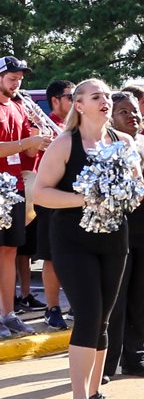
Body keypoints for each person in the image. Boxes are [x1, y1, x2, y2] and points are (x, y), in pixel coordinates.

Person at [32, 79, 136, 399]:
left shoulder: (123, 143)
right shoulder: (65, 144)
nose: (105, 101)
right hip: (72, 240)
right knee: (88, 315)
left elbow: (135, 186)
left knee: (104, 318)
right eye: (97, 97)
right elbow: (42, 194)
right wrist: (86, 199)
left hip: (113, 237)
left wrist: (129, 191)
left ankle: (95, 394)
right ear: (79, 105)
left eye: (107, 95)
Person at [103, 92, 144, 379]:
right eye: (123, 112)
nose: (132, 116)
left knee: (143, 293)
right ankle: (107, 361)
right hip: (119, 228)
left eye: (135, 111)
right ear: (110, 118)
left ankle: (136, 357)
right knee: (116, 295)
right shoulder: (106, 145)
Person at [0, 55, 52, 339]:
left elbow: (27, 154)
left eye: (20, 78)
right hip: (1, 188)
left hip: (13, 187)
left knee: (10, 252)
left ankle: (8, 313)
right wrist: (27, 142)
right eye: (11, 77)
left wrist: (38, 139)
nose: (17, 82)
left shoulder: (18, 108)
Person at [34, 77, 74, 330]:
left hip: (74, 198)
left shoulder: (79, 127)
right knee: (51, 257)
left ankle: (76, 305)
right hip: (51, 198)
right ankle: (52, 308)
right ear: (55, 101)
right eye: (71, 97)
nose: (74, 102)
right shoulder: (46, 126)